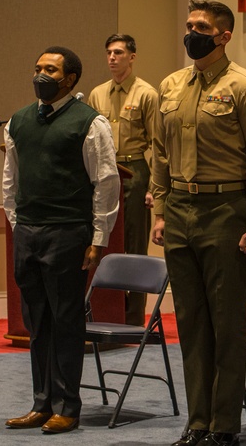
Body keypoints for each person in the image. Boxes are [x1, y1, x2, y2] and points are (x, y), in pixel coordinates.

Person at [151, 0, 246, 446]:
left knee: (225, 323)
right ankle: (197, 421)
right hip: (180, 209)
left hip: (226, 210)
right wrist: (161, 211)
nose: (192, 33)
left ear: (224, 36)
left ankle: (223, 426)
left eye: (202, 27)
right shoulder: (171, 85)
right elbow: (161, 154)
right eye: (189, 25)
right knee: (190, 322)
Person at [1, 46, 119, 434]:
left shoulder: (89, 122)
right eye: (38, 67)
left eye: (51, 70)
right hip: (28, 233)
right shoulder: (18, 121)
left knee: (66, 321)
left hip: (68, 233)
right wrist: (19, 225)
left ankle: (68, 405)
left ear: (70, 79)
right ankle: (42, 403)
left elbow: (106, 182)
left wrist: (98, 237)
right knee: (37, 323)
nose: (41, 75)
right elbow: (11, 180)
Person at [86, 34, 160, 326]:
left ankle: (133, 317)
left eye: (118, 52)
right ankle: (106, 310)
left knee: (135, 246)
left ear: (132, 57)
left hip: (135, 171)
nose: (112, 58)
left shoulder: (146, 94)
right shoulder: (97, 94)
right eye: (108, 52)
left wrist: (154, 188)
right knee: (103, 240)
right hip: (104, 173)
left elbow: (159, 145)